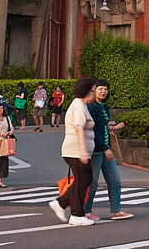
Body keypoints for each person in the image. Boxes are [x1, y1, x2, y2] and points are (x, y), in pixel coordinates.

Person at [49, 77, 97, 227]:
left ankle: (62, 204)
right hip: (76, 149)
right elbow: (78, 127)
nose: (95, 94)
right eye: (94, 90)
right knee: (83, 180)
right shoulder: (79, 106)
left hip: (77, 149)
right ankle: (76, 214)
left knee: (83, 179)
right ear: (87, 91)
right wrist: (83, 150)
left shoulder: (81, 105)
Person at [83, 80, 133, 221]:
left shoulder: (103, 107)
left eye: (105, 89)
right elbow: (94, 130)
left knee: (115, 179)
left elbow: (102, 126)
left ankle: (116, 210)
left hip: (105, 149)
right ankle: (86, 211)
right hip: (96, 151)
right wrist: (105, 148)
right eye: (100, 89)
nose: (103, 91)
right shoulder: (91, 107)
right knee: (92, 182)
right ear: (94, 91)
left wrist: (113, 128)